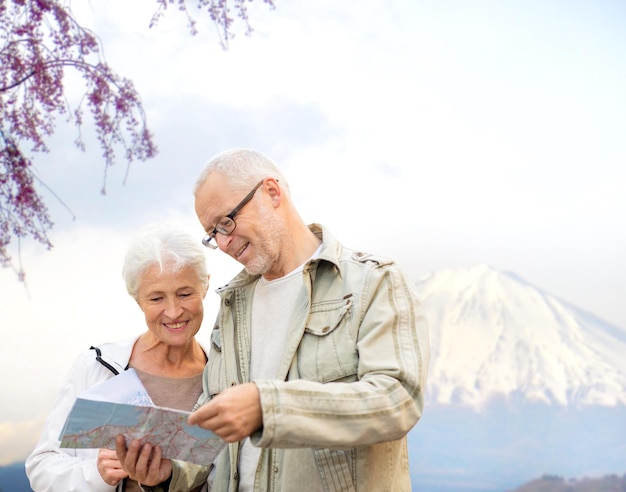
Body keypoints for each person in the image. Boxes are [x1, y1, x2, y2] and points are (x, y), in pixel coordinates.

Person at [117, 148, 430, 491]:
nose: (223, 242)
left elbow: (397, 401)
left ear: (272, 192)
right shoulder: (233, 305)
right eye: (213, 233)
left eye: (226, 222)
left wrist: (269, 407)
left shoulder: (373, 282)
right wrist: (167, 473)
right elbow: (212, 433)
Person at [26, 224, 211, 492]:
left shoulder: (222, 375)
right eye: (156, 298)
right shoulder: (97, 367)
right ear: (138, 300)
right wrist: (98, 474)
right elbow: (41, 467)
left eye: (185, 294)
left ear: (205, 286)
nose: (173, 312)